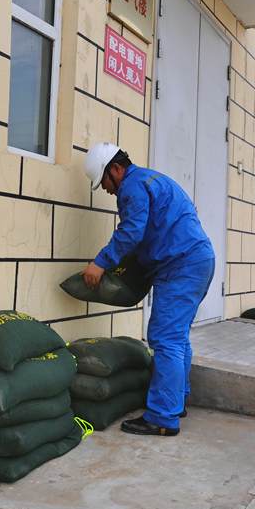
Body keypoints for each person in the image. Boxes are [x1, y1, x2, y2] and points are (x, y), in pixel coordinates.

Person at [80, 143, 215, 436]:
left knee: (165, 338)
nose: (105, 189)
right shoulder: (153, 179)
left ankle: (163, 417)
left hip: (181, 266)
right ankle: (175, 402)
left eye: (104, 181)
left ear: (116, 169)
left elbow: (131, 232)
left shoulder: (132, 186)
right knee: (177, 338)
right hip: (197, 260)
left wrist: (99, 264)